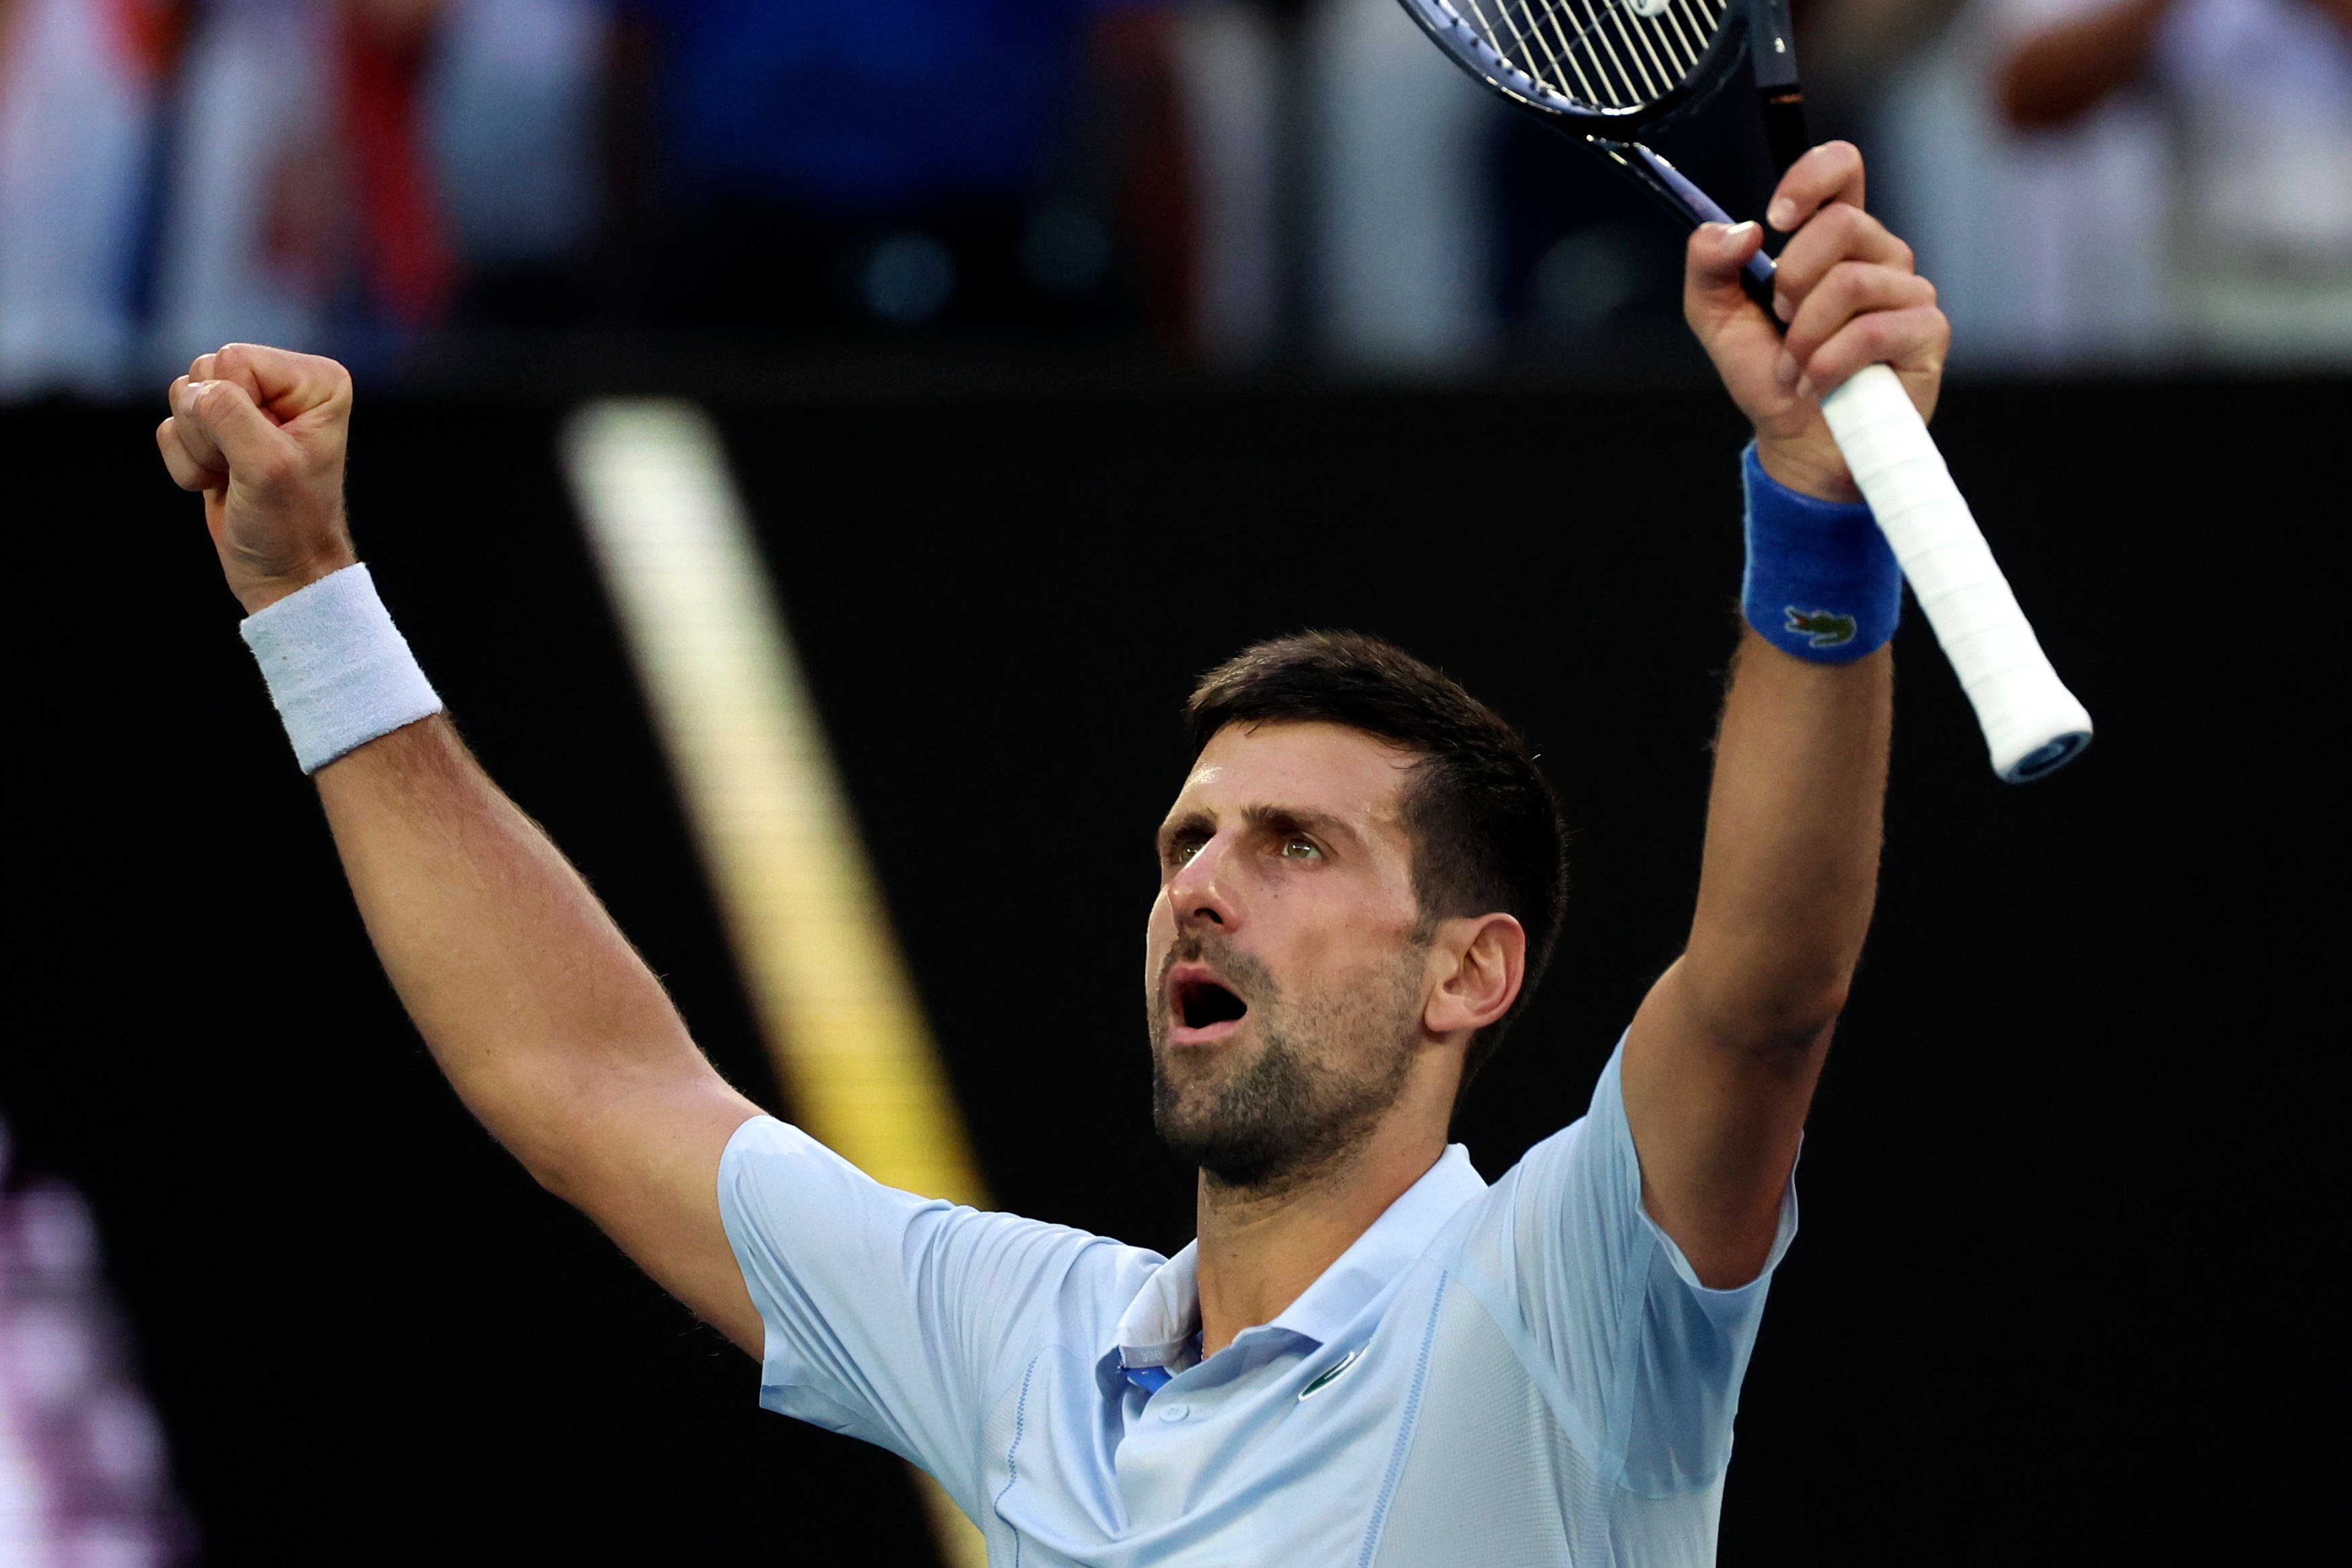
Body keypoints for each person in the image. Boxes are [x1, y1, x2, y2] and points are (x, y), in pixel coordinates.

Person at [154, 141, 1946, 1565]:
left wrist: (1808, 500)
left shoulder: (1567, 1295)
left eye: (1295, 844)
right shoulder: (1028, 1345)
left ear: (1467, 970)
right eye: (1187, 839)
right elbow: (584, 1080)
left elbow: (1764, 994)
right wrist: (311, 603)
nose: (1200, 880)